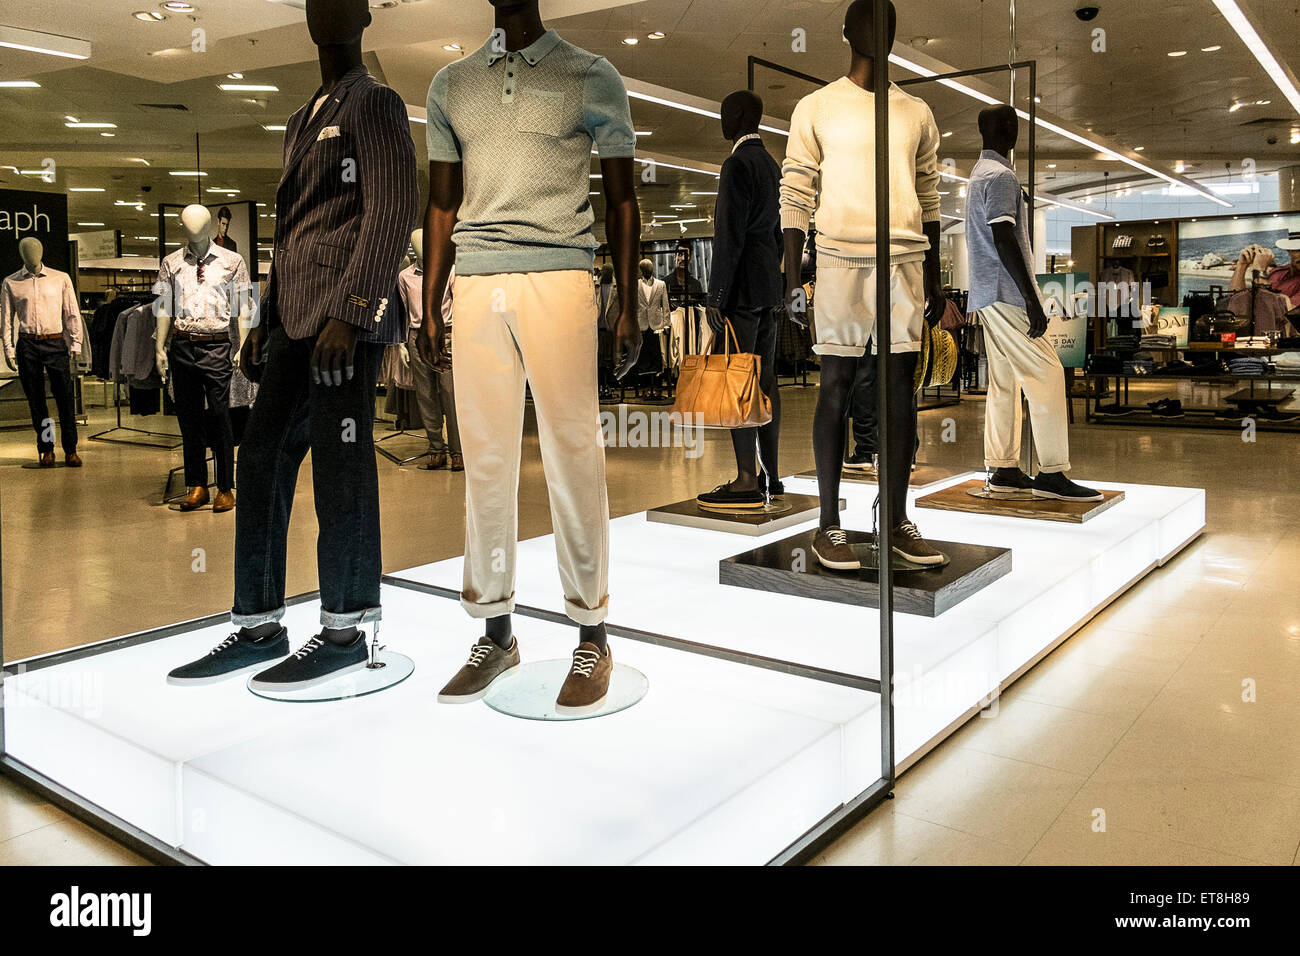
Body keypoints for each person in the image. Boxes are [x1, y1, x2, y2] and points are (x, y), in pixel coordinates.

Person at [166, 0, 418, 689]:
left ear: (365, 15)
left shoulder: (376, 103)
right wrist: (267, 315)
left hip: (342, 325)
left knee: (341, 471)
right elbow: (295, 232)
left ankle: (345, 627)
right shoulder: (300, 117)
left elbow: (391, 210)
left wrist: (355, 309)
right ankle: (257, 624)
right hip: (293, 324)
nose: (324, 10)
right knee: (260, 461)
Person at [419, 0, 641, 714]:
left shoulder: (590, 75)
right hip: (477, 279)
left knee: (573, 451)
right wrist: (429, 295)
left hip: (561, 275)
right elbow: (442, 205)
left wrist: (629, 299)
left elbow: (624, 196)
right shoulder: (451, 85)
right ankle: (496, 628)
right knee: (484, 456)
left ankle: (592, 631)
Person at [780, 0, 947, 570]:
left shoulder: (916, 111)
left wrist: (937, 273)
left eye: (893, 21)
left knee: (901, 390)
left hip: (904, 257)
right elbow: (797, 189)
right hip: (838, 257)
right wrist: (790, 268)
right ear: (847, 31)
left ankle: (895, 518)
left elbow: (929, 196)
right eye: (873, 21)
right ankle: (828, 523)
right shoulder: (817, 106)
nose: (886, 32)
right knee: (837, 383)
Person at [965, 105, 1100, 502]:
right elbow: (1004, 238)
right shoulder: (1002, 176)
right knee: (1048, 374)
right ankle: (1052, 472)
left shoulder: (977, 175)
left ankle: (1004, 467)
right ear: (1012, 132)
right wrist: (1032, 299)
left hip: (986, 293)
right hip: (1006, 293)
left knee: (1004, 381)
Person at [696, 90, 785, 511]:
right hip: (768, 287)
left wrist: (716, 294)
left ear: (740, 117)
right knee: (766, 381)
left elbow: (728, 236)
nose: (721, 119)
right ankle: (772, 473)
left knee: (738, 379)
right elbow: (778, 233)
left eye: (725, 112)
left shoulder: (736, 164)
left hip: (742, 290)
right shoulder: (772, 164)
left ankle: (746, 479)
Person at [1230, 231, 1300, 310]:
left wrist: (1260, 271)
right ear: (1289, 250)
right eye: (1298, 250)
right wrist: (1242, 265)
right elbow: (1234, 300)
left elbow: (1281, 313)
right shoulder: (1277, 272)